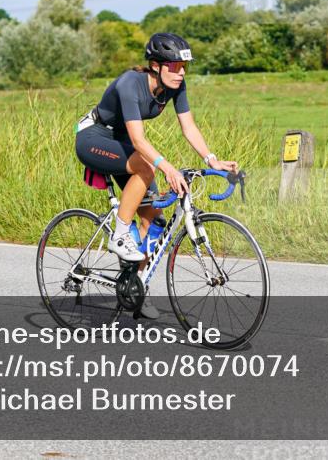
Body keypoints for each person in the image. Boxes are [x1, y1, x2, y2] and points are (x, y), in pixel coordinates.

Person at [74, 32, 239, 318]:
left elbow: (188, 127)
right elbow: (139, 142)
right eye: (174, 66)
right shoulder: (130, 84)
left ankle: (134, 287)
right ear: (155, 65)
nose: (181, 72)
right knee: (146, 166)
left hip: (122, 144)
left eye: (184, 67)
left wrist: (212, 159)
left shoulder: (176, 85)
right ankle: (120, 234)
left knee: (153, 221)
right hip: (94, 138)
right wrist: (169, 168)